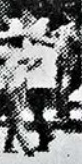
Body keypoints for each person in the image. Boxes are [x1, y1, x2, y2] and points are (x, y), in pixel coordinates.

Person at [0, 19, 34, 157]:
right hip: (13, 89)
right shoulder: (21, 52)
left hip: (6, 89)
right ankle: (22, 146)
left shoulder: (5, 51)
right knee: (15, 118)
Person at [22, 18, 58, 153]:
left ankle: (46, 134)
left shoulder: (36, 50)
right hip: (48, 84)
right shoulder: (51, 50)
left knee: (37, 113)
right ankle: (44, 142)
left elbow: (29, 65)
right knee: (39, 112)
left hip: (36, 83)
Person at [53, 15, 82, 121]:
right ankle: (61, 111)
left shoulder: (67, 30)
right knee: (60, 87)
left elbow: (77, 43)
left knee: (64, 87)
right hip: (61, 61)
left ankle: (63, 111)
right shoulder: (64, 29)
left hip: (67, 62)